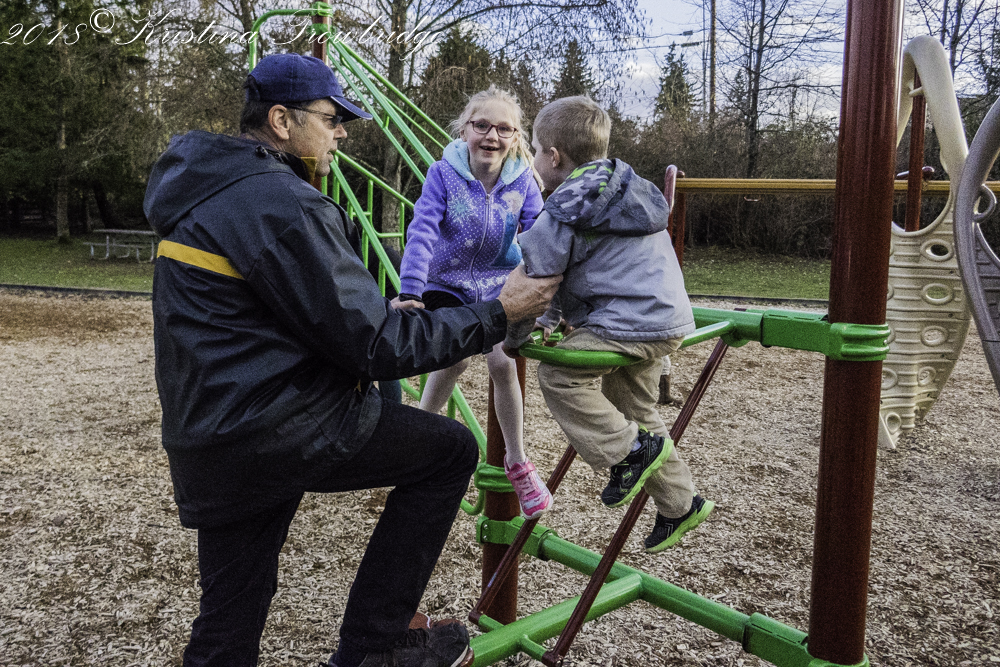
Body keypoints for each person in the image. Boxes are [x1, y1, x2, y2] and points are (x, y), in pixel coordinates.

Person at [143, 53, 560, 667]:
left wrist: (373, 318)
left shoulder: (206, 191)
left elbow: (278, 314)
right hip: (275, 427)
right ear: (281, 120)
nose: (340, 133)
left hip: (212, 430)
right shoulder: (281, 203)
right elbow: (379, 345)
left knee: (230, 612)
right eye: (331, 118)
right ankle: (376, 645)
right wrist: (500, 313)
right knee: (448, 452)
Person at [505, 96, 714, 553]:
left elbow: (538, 277)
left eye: (535, 150)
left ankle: (629, 452)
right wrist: (552, 319)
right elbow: (572, 270)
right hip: (667, 320)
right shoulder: (628, 191)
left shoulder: (566, 206)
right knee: (633, 408)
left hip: (626, 323)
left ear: (553, 156)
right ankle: (681, 503)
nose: (534, 159)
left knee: (558, 375)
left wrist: (514, 337)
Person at [397, 86, 552, 520]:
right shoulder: (443, 174)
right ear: (464, 130)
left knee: (503, 363)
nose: (491, 136)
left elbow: (540, 239)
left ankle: (517, 461)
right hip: (445, 282)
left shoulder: (523, 180)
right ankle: (419, 436)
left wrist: (549, 307)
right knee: (457, 356)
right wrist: (411, 289)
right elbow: (423, 229)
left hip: (499, 284)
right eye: (482, 125)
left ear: (516, 137)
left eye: (504, 128)